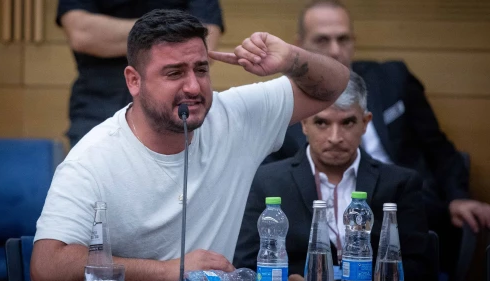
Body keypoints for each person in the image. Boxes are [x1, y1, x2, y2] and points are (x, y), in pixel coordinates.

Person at [30, 9, 350, 281]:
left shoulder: (236, 115)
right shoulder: (93, 158)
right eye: (174, 73)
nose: (193, 87)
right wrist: (170, 270)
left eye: (201, 69)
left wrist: (291, 59)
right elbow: (47, 265)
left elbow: (335, 85)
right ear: (134, 80)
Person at [262, 0, 490, 277]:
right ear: (300, 44)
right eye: (322, 39)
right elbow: (273, 177)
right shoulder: (284, 101)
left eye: (343, 38)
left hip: (407, 205)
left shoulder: (393, 78)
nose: (335, 50)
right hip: (316, 218)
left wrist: (457, 196)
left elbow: (438, 146)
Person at [233, 72, 432, 281]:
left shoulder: (399, 184)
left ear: (365, 122)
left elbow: (420, 269)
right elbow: (245, 266)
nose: (335, 138)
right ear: (303, 124)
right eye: (322, 123)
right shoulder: (267, 182)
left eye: (347, 123)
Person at [57, 0, 224, 147]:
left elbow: (205, 39)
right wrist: (171, 30)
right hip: (97, 106)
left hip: (176, 109)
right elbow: (82, 34)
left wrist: (113, 33)